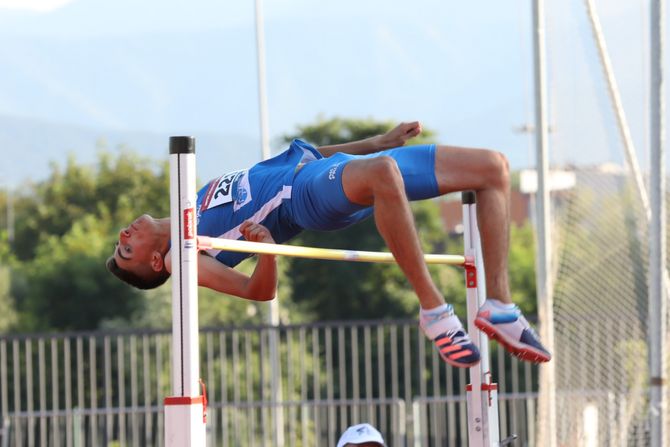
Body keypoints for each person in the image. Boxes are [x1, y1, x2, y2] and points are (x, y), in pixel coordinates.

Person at [107, 121, 551, 368]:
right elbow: (257, 293)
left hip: (330, 167)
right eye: (125, 250)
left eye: (120, 240)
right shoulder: (182, 259)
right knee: (382, 174)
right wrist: (266, 251)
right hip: (306, 199)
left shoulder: (196, 197)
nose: (124, 236)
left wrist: (374, 142)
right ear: (153, 261)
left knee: (493, 168)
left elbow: (290, 159)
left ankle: (499, 303)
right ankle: (434, 311)